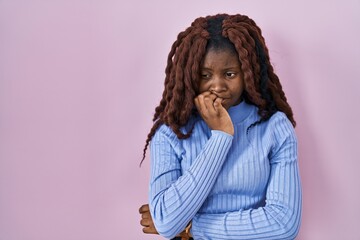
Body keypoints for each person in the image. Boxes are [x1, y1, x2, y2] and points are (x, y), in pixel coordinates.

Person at [139, 13, 302, 240]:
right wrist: (221, 136)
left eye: (229, 74)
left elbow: (283, 224)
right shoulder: (171, 132)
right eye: (205, 75)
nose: (217, 85)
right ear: (190, 74)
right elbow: (166, 222)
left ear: (247, 73)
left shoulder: (275, 128)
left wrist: (191, 228)